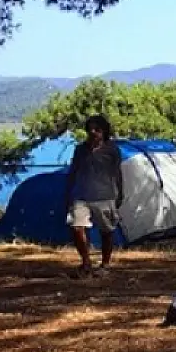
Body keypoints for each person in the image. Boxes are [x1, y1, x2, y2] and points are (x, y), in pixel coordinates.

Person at [65, 115, 124, 278]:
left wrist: (120, 193)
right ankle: (86, 262)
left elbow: (117, 173)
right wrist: (68, 192)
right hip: (81, 195)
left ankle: (105, 264)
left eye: (97, 129)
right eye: (90, 129)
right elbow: (73, 172)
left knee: (106, 232)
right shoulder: (80, 150)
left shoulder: (112, 150)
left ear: (104, 131)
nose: (93, 132)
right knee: (77, 227)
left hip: (105, 196)